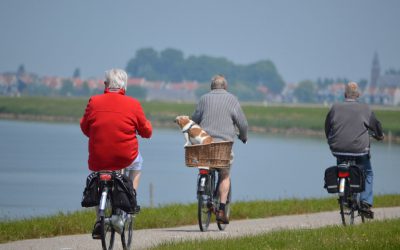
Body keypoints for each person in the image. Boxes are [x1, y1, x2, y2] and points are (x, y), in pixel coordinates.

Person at [80, 68, 152, 238]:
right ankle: (130, 200)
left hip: (99, 157)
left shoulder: (94, 101)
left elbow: (84, 127)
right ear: (124, 87)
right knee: (138, 164)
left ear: (106, 85)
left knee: (100, 177)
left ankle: (100, 218)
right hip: (125, 156)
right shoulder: (133, 104)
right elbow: (147, 131)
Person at [192, 74, 248, 224]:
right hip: (223, 146)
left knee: (205, 166)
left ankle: (204, 191)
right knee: (224, 175)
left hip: (204, 145)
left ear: (212, 87)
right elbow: (242, 124)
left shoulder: (204, 99)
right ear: (225, 87)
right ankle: (222, 209)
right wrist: (243, 136)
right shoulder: (232, 100)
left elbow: (193, 121)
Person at [324, 81, 384, 218]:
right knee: (367, 172)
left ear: (344, 94)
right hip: (359, 150)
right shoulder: (365, 108)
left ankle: (345, 195)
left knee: (342, 167)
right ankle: (365, 202)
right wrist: (380, 136)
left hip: (338, 149)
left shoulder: (335, 107)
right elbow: (376, 126)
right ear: (358, 95)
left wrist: (330, 140)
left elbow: (327, 126)